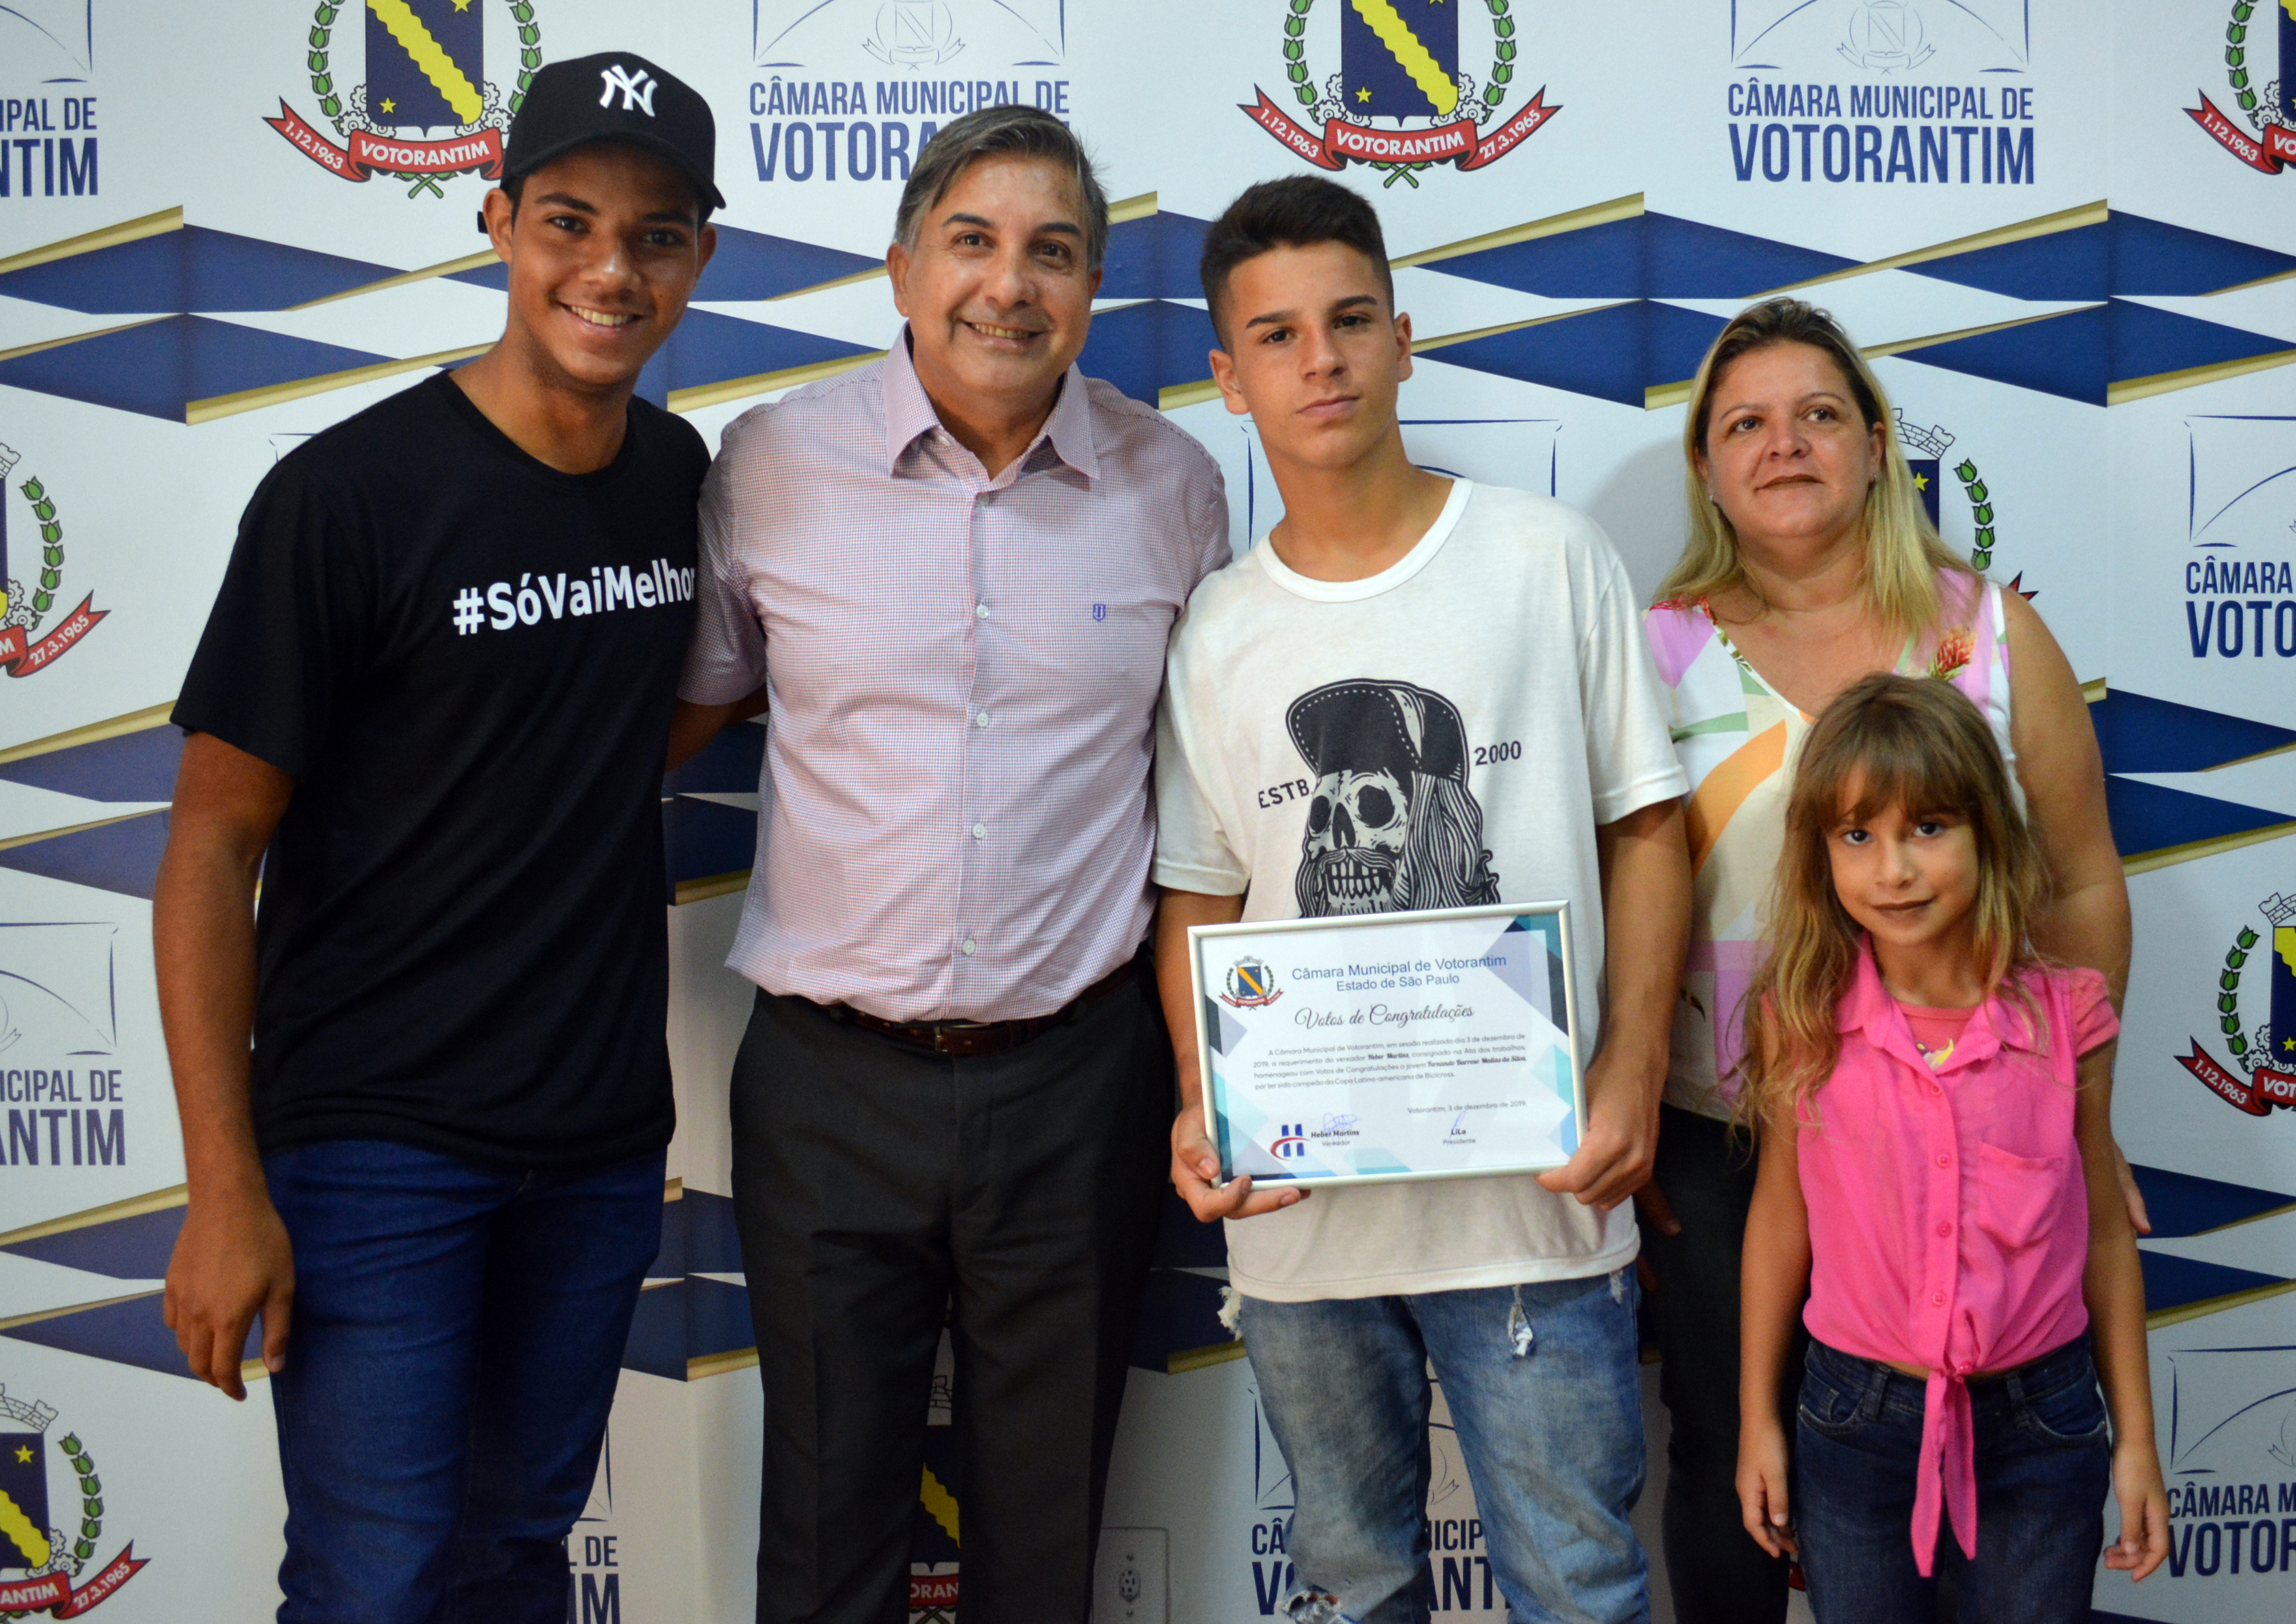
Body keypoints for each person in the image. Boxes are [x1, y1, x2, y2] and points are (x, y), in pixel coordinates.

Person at [154, 53, 721, 1622]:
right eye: (569, 220)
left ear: (701, 260)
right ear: (496, 223)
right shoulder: (347, 499)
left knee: (511, 1562)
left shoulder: (677, 478)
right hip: (372, 1150)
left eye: (657, 234)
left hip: (599, 1139)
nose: (611, 268)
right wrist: (222, 1187)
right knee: (372, 1582)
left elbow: (631, 719)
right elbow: (209, 847)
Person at [665, 105, 1230, 1623]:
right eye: (971, 242)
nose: (1009, 285)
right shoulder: (770, 464)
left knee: (1044, 1542)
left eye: (1053, 251)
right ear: (902, 268)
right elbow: (689, 713)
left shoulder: (1175, 486)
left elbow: (1210, 802)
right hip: (826, 1082)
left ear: (1093, 287)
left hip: (1078, 1078)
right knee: (826, 1533)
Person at [1156, 175, 1692, 1624]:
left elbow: (1647, 826)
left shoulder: (1545, 557)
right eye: (1274, 335)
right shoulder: (1215, 628)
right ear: (1228, 378)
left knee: (1580, 1584)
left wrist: (1632, 1066)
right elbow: (1199, 895)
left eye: (1345, 322)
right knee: (1351, 1585)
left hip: (1537, 1205)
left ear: (1402, 337)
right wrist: (1209, 1096)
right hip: (1303, 1217)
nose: (1317, 360)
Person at [1637, 297, 2140, 1623]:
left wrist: (2070, 1099)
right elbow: (1620, 896)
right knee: (1726, 1455)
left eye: (1817, 414)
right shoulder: (1650, 650)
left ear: (1874, 445)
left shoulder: (1987, 632)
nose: (1782, 443)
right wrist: (1625, 1109)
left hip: (1959, 1111)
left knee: (1982, 1437)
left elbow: (2082, 876)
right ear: (1705, 464)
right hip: (1723, 1132)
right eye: (1743, 421)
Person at [1732, 674, 2169, 1620]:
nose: (1891, 870)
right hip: (1850, 1421)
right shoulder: (1798, 1020)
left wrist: (2135, 1437)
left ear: (1987, 830)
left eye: (1927, 826)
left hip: (2042, 1422)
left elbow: (2099, 1229)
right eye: (1857, 835)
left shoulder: (2069, 1018)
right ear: (1820, 853)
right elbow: (1778, 1219)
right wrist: (1755, 1420)